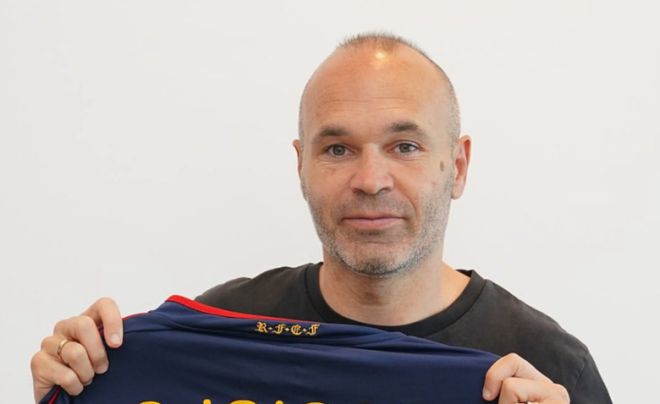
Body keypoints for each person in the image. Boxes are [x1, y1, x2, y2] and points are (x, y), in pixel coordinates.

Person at [30, 33, 611, 404]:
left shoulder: (549, 368)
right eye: (337, 149)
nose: (371, 179)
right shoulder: (222, 332)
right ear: (301, 166)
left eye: (405, 146)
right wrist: (70, 391)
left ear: (456, 167)